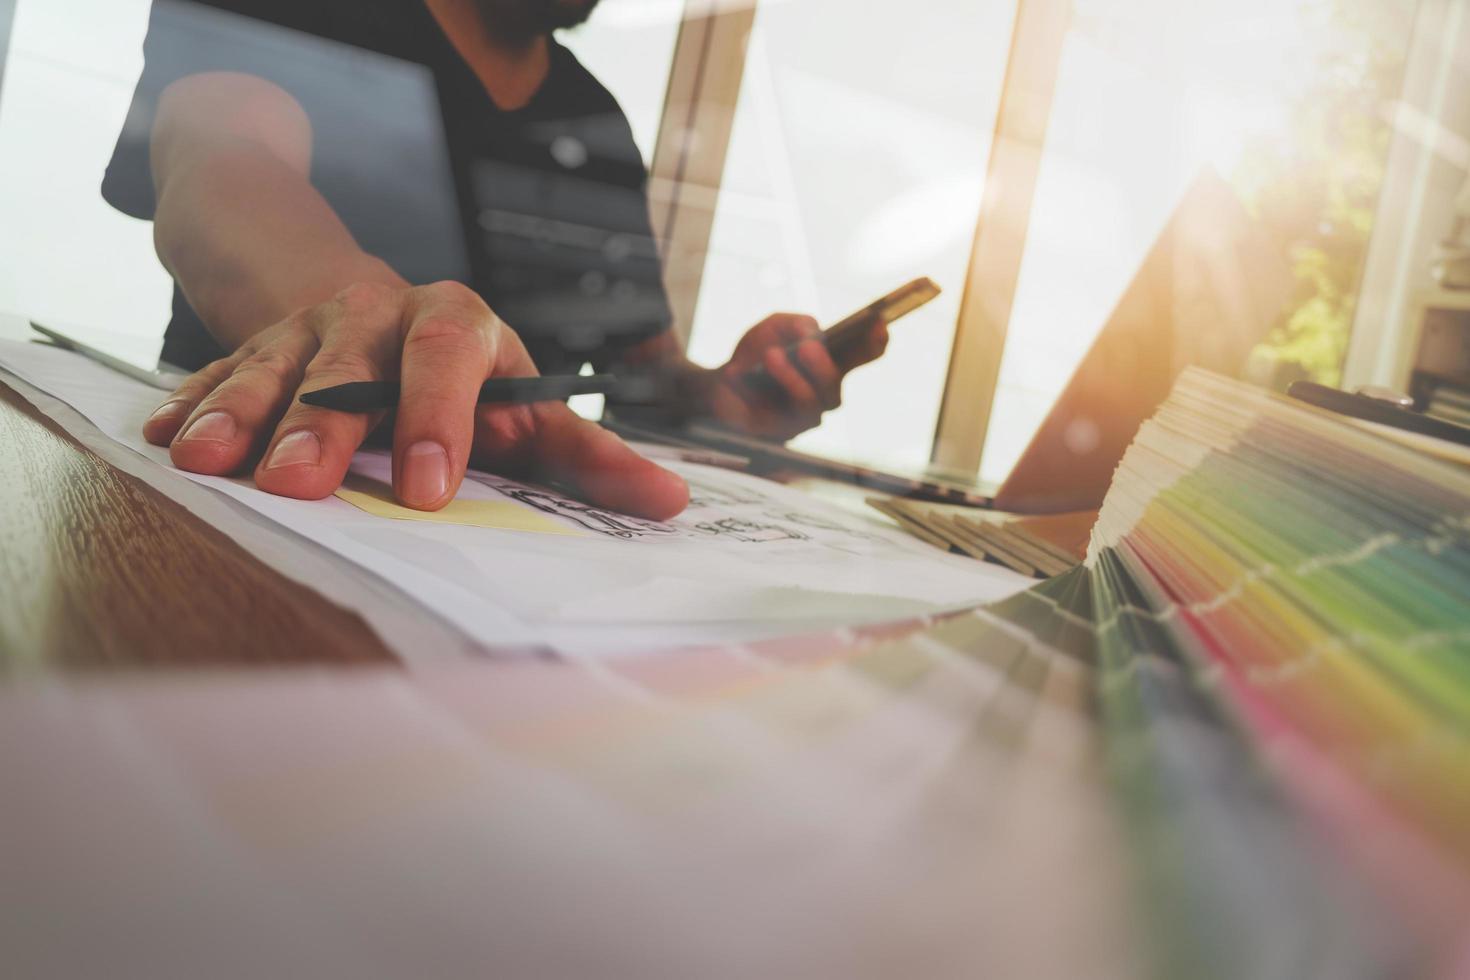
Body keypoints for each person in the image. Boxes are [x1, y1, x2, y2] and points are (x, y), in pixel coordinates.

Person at [104, 0, 890, 520]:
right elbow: (220, 164)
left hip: (506, 551)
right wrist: (372, 316)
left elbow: (647, 374)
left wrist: (727, 401)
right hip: (235, 493)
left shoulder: (596, 121)